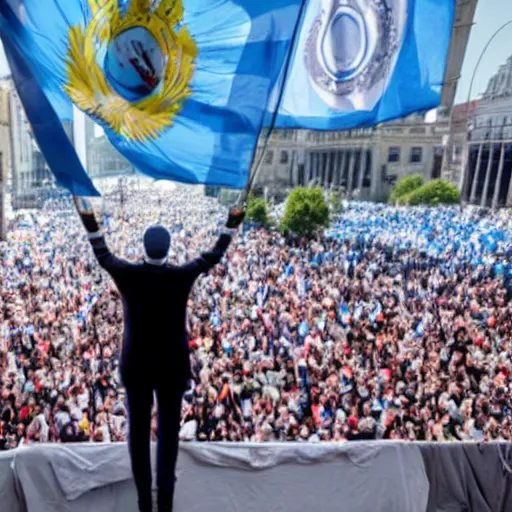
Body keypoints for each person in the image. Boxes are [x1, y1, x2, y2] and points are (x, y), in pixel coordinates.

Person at [73, 196, 245, 512]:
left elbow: (103, 254)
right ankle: (165, 503)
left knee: (138, 435)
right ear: (168, 250)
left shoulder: (129, 275)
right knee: (168, 436)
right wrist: (232, 223)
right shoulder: (180, 276)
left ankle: (143, 503)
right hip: (171, 367)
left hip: (136, 367)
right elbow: (213, 256)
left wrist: (89, 219)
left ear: (144, 247)